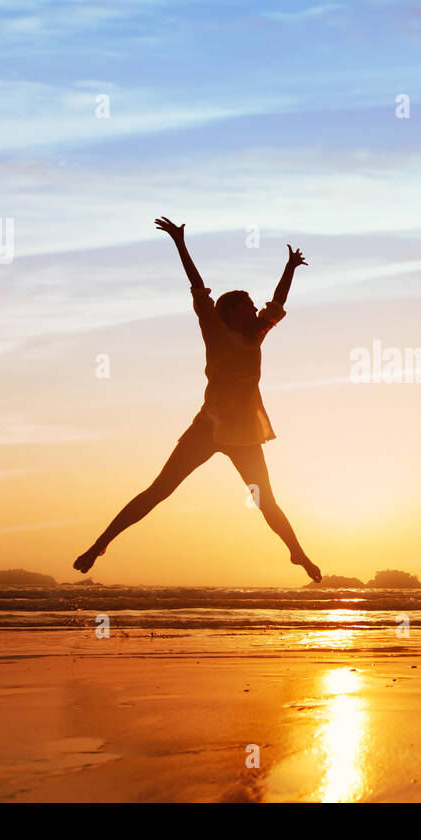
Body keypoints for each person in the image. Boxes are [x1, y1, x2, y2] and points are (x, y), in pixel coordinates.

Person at [73, 217, 321, 582]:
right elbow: (198, 286)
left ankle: (297, 553)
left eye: (253, 305)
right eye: (246, 305)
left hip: (244, 435)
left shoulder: (256, 336)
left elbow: (277, 303)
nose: (254, 309)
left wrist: (288, 269)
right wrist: (179, 242)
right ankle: (100, 544)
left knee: (265, 500)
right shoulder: (214, 330)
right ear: (229, 312)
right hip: (208, 427)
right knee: (160, 490)